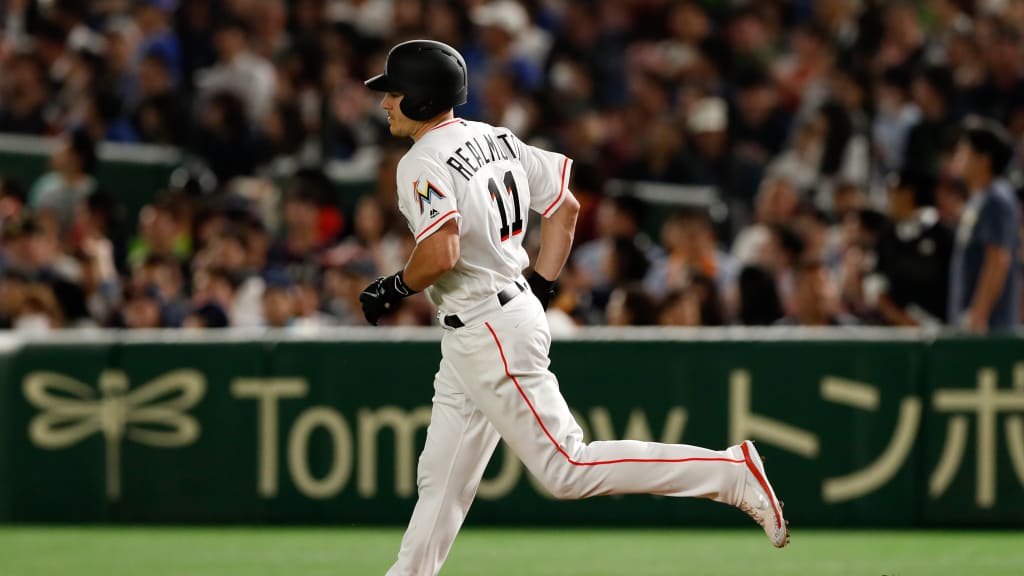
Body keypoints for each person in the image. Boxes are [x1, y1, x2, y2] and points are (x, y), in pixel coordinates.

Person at [359, 39, 788, 576]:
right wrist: (541, 283)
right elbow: (566, 204)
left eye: (394, 93)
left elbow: (441, 251)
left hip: (486, 325)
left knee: (567, 468)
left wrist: (394, 287)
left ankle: (729, 473)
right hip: (495, 316)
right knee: (442, 478)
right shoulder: (496, 138)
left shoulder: (420, 160)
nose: (384, 103)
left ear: (421, 99)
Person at [948, 116, 1021, 333]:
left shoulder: (996, 199)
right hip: (971, 321)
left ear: (984, 159)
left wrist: (979, 313)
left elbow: (998, 258)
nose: (957, 157)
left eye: (964, 151)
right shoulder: (978, 200)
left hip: (988, 326)